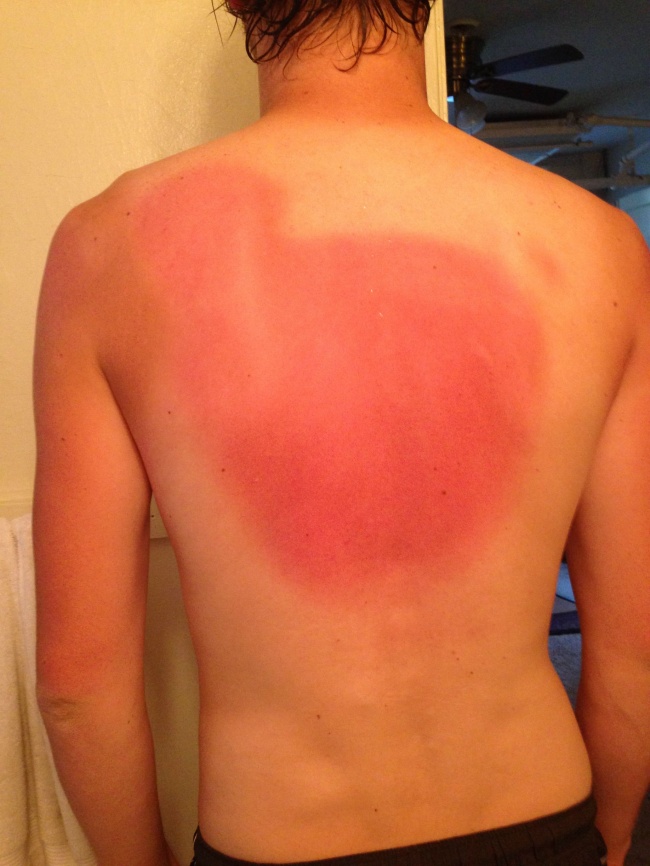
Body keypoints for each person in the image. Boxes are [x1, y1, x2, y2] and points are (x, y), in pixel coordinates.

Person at [32, 0, 650, 863]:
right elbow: (632, 652)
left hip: (280, 832)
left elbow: (77, 688)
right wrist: (610, 845)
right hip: (543, 821)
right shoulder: (600, 246)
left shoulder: (109, 248)